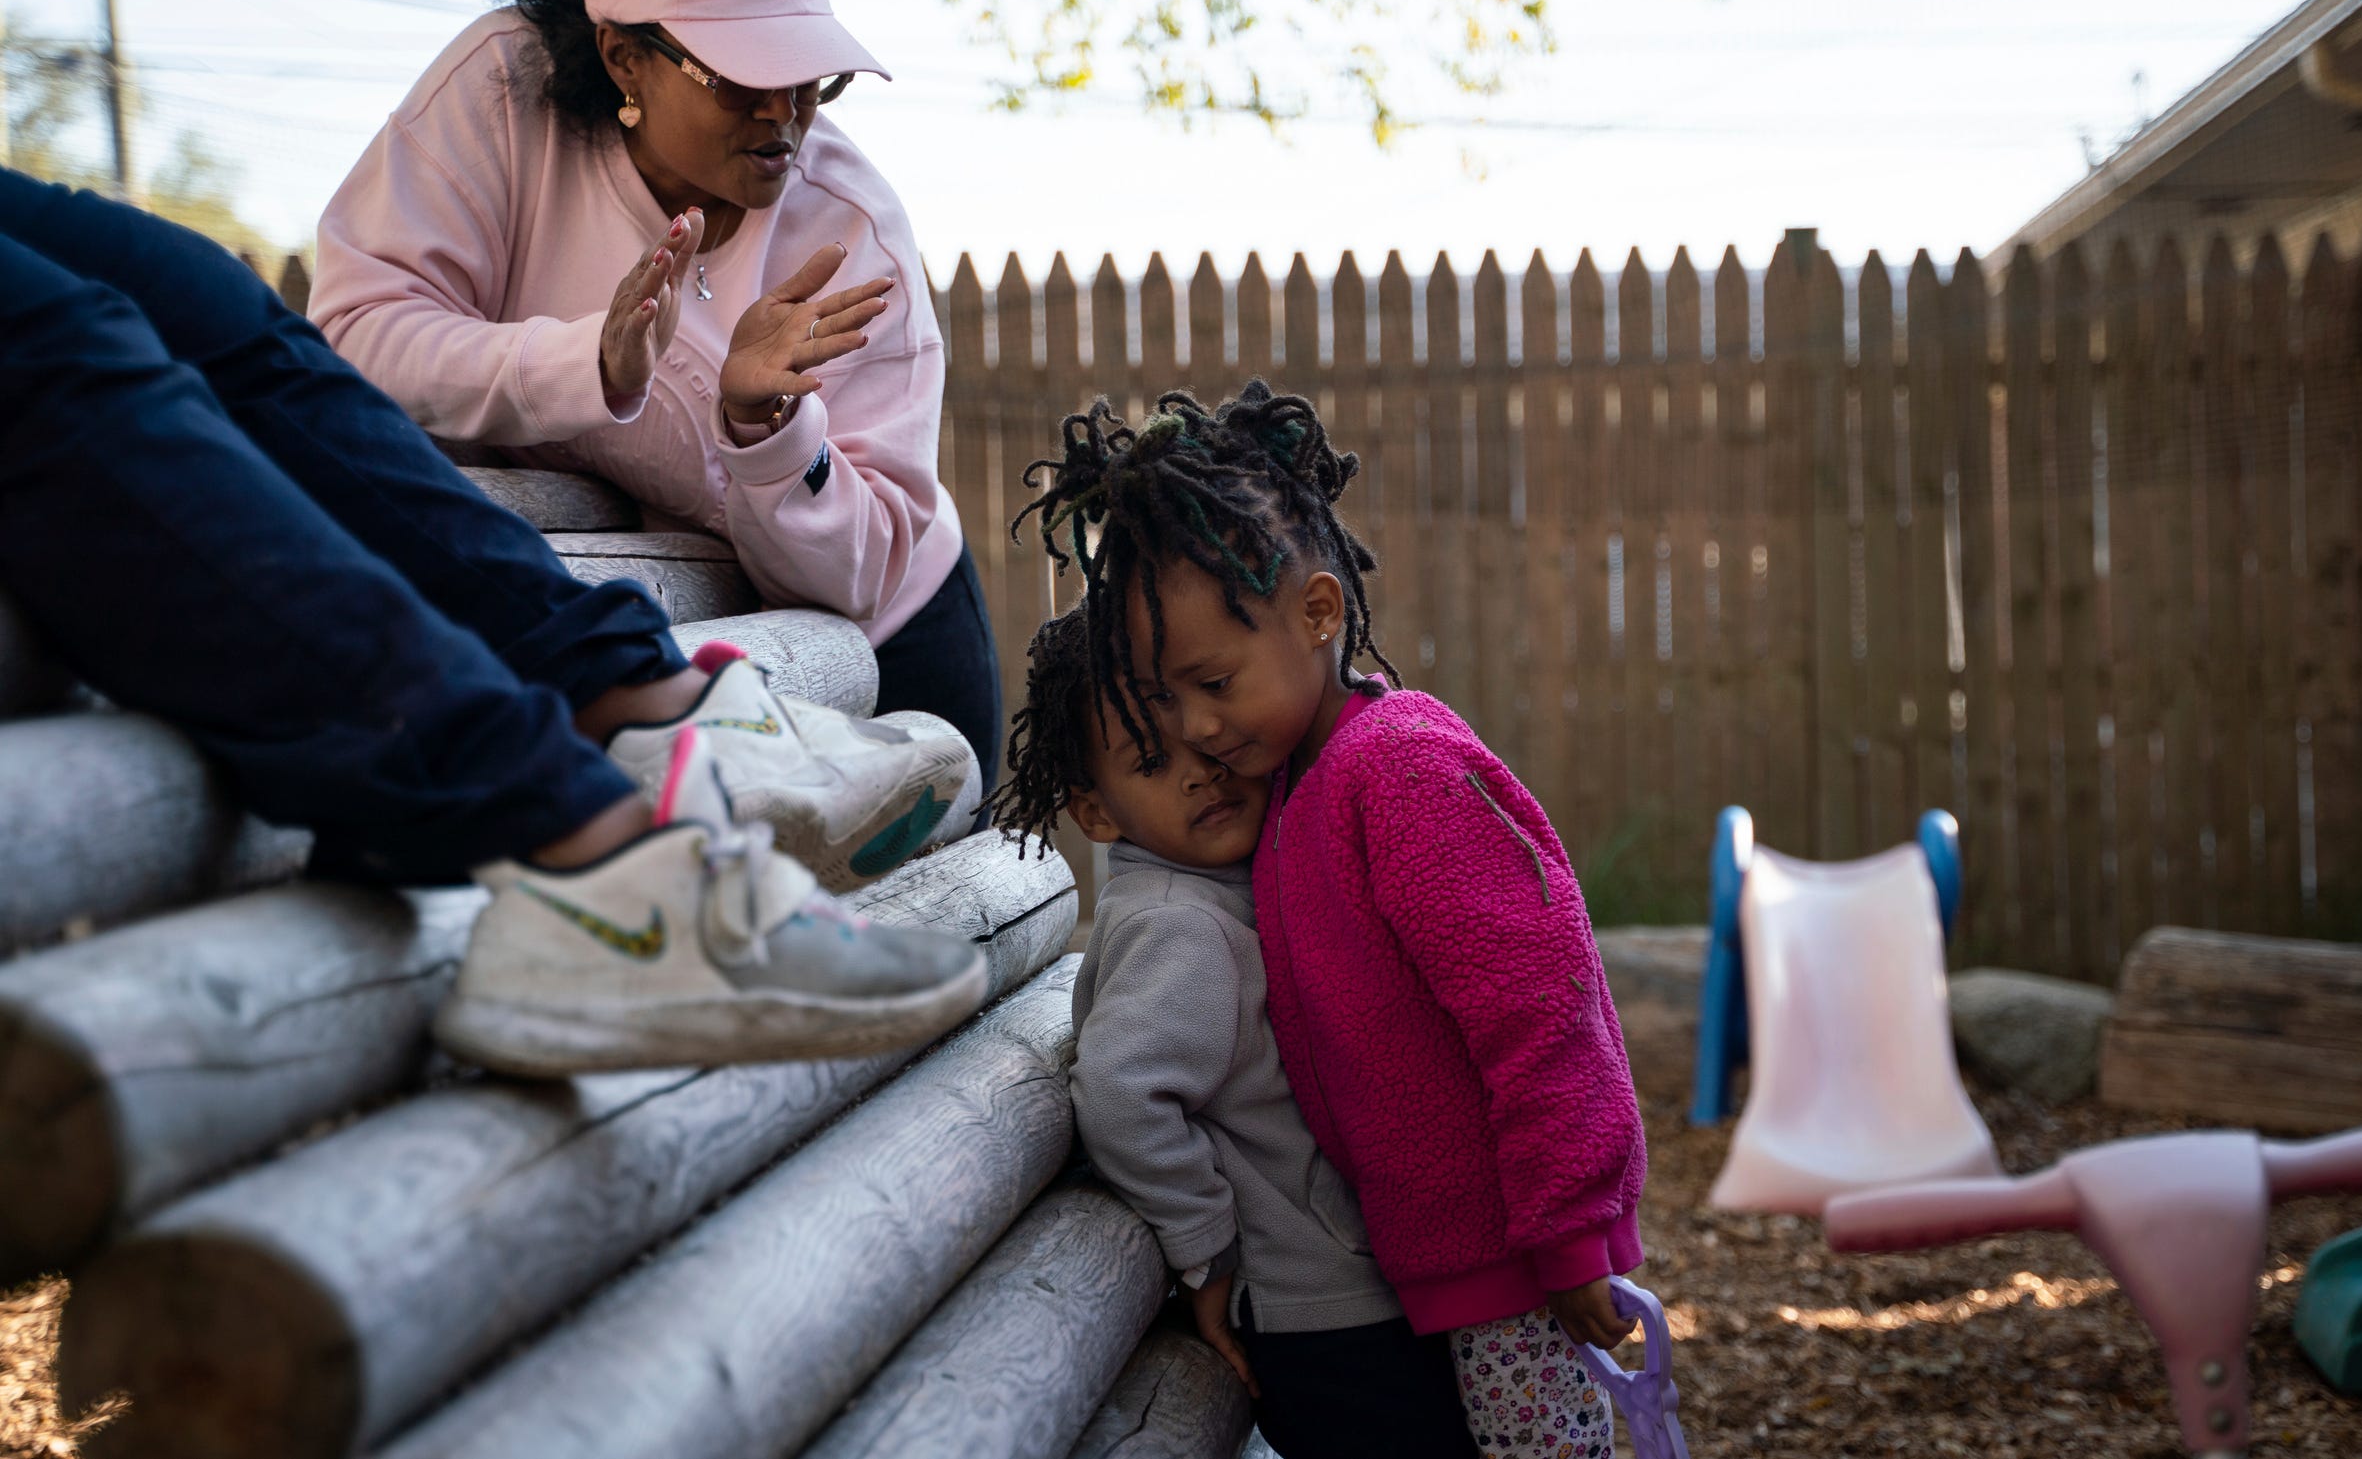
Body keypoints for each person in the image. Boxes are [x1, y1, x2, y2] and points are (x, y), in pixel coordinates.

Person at [0, 168, 985, 1077]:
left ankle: (638, 706)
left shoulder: (835, 192)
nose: (783, 110)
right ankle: (583, 858)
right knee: (53, 342)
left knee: (198, 296)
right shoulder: (503, 83)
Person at [1017, 382, 1651, 1459]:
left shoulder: (1396, 764)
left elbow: (1539, 990)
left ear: (1319, 611)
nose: (1203, 730)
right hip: (1428, 1263)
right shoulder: (1291, 790)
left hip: (1514, 1252)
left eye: (1214, 683)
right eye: (1170, 702)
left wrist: (1578, 1225)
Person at [309, 0, 1003, 807]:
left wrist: (768, 430)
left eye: (811, 77)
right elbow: (353, 335)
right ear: (623, 57)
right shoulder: (505, 96)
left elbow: (870, 572)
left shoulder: (851, 229)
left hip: (889, 657)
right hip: (651, 650)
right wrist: (587, 361)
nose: (785, 111)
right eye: (743, 78)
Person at [992, 606, 1477, 1459]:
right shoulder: (1183, 925)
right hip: (1324, 1310)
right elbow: (1118, 1092)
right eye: (1151, 760)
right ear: (1096, 814)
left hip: (1339, 1298)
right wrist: (1206, 1252)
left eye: (1209, 747)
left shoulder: (1217, 892)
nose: (1198, 776)